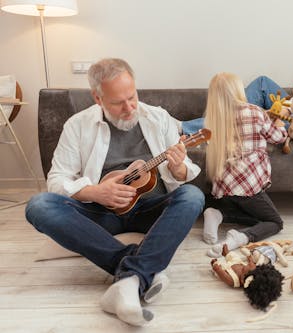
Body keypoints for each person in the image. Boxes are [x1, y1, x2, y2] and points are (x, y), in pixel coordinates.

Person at [24, 58, 205, 326]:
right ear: (98, 98)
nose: (129, 108)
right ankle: (139, 272)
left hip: (149, 210)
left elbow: (184, 174)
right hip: (102, 212)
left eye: (132, 97)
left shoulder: (158, 118)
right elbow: (56, 180)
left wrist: (178, 168)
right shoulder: (77, 125)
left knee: (193, 197)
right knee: (39, 205)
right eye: (118, 103)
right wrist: (94, 192)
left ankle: (128, 281)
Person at [200, 72, 287, 258]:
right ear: (238, 90)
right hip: (248, 188)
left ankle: (218, 214)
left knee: (254, 216)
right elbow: (278, 138)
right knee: (274, 222)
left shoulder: (213, 120)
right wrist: (279, 123)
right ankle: (240, 238)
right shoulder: (255, 112)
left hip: (223, 187)